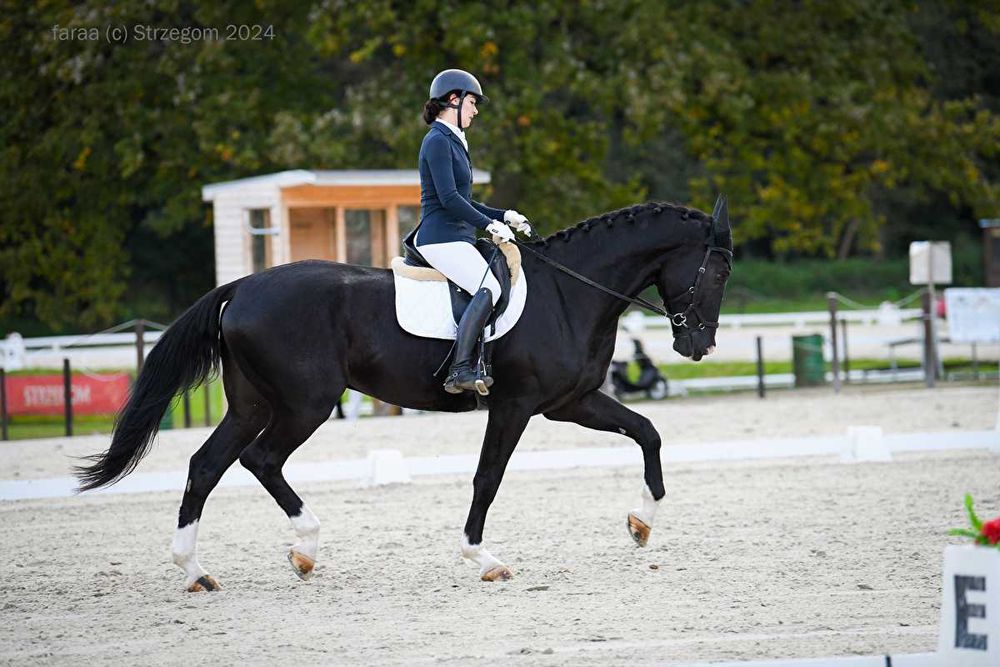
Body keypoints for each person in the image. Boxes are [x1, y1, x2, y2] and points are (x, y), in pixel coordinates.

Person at [415, 68, 532, 394]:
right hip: (441, 237)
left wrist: (504, 215)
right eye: (472, 103)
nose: (475, 110)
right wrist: (489, 225)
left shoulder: (453, 141)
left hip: (456, 235)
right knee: (490, 288)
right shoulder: (438, 140)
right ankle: (460, 369)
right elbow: (450, 199)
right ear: (453, 99)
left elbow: (464, 200)